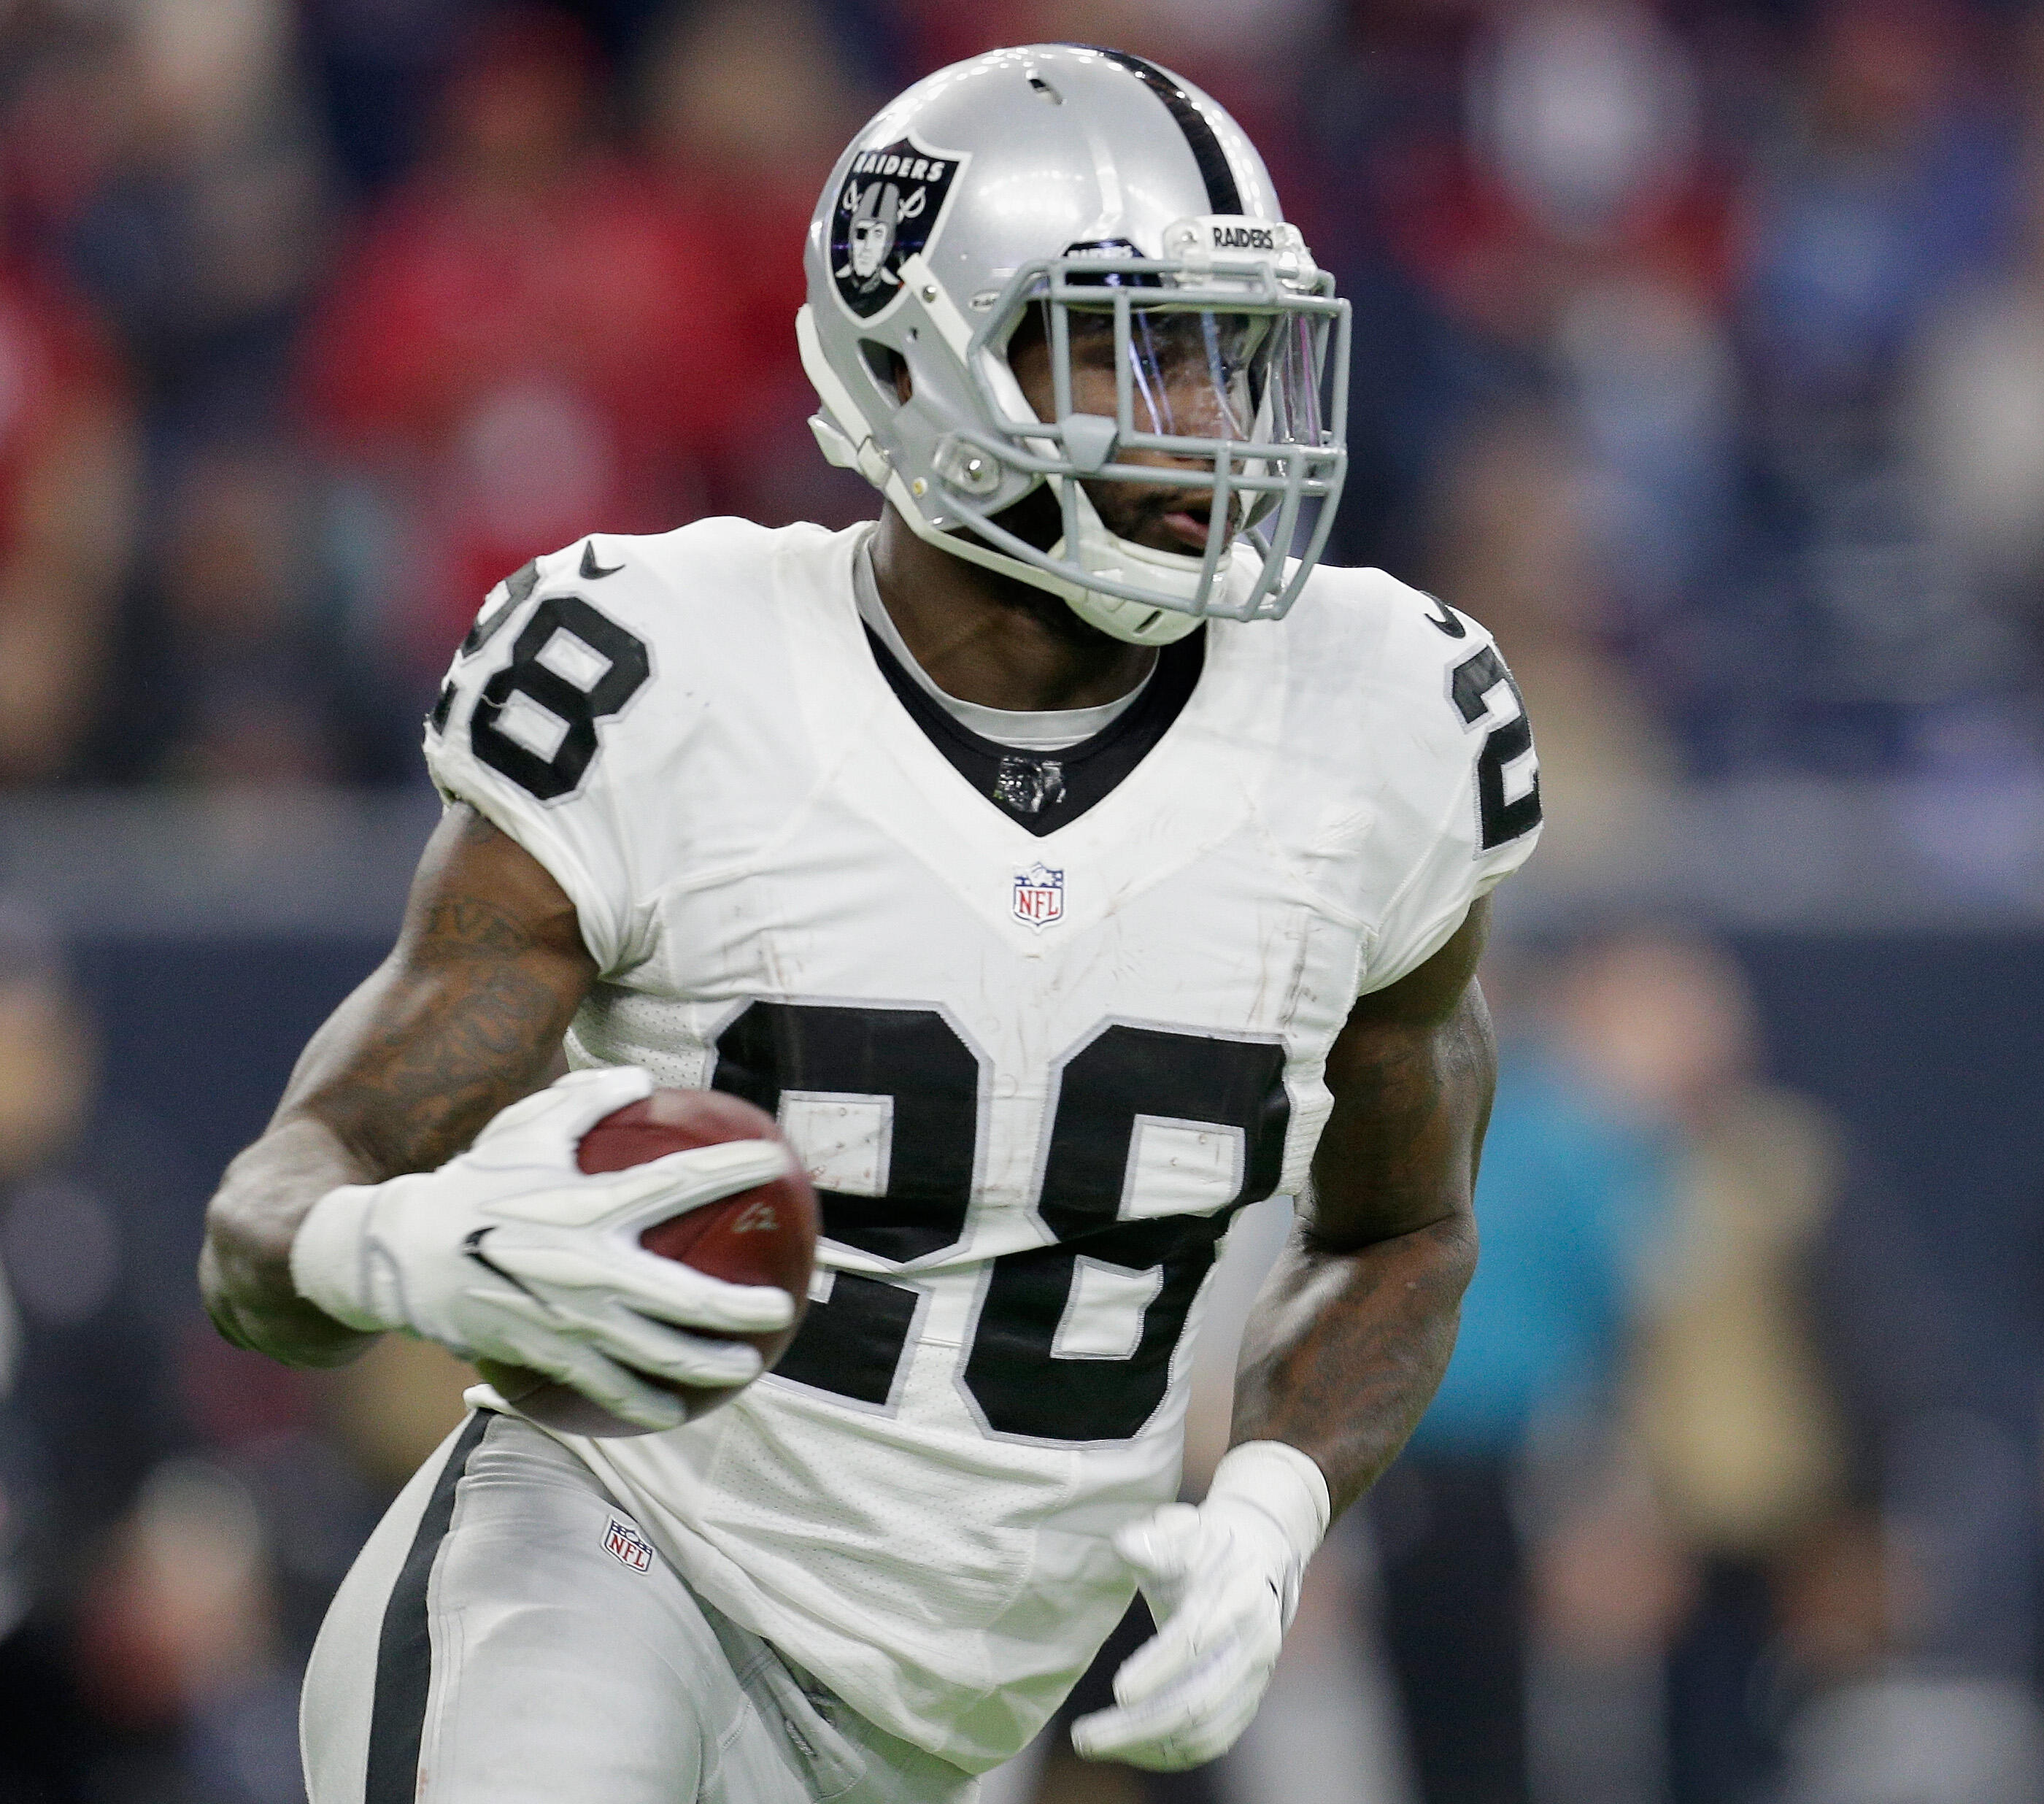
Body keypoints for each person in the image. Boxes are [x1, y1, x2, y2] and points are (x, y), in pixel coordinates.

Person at [199, 44, 1541, 1804]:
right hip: (612, 1566)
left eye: (1225, 348)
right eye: (1122, 343)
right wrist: (408, 1253)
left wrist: (1275, 1508)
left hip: (954, 1724)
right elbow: (267, 1222)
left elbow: (1404, 1230)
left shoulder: (1387, 716)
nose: (1207, 420)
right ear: (915, 360)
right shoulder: (670, 675)